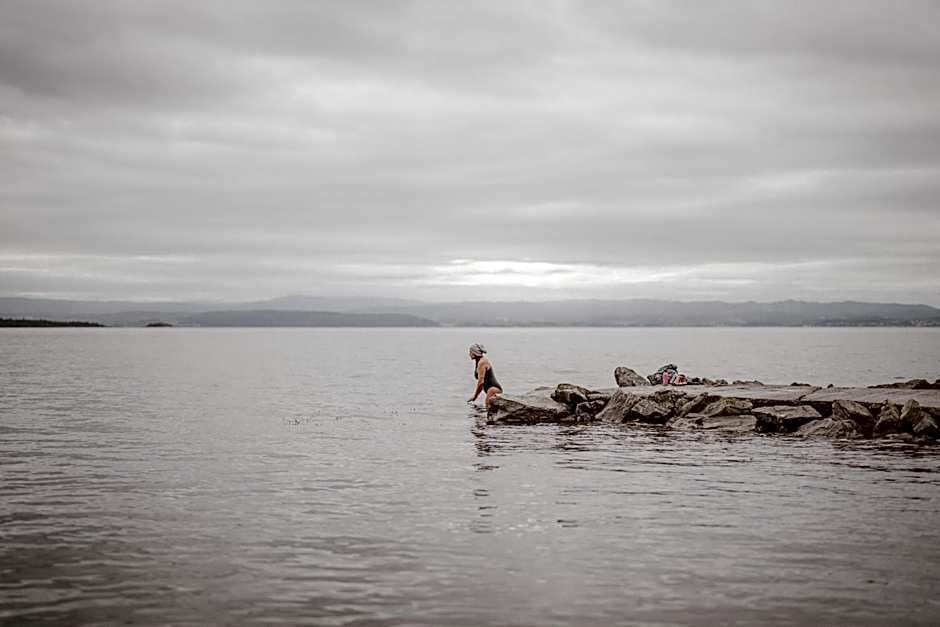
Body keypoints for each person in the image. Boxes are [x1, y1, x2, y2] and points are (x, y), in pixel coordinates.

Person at [467, 343, 502, 409]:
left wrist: (475, 396)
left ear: (474, 353)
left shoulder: (482, 362)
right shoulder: (479, 361)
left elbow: (481, 382)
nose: (469, 354)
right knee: (489, 410)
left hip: (493, 390)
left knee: (488, 408)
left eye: (470, 352)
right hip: (491, 390)